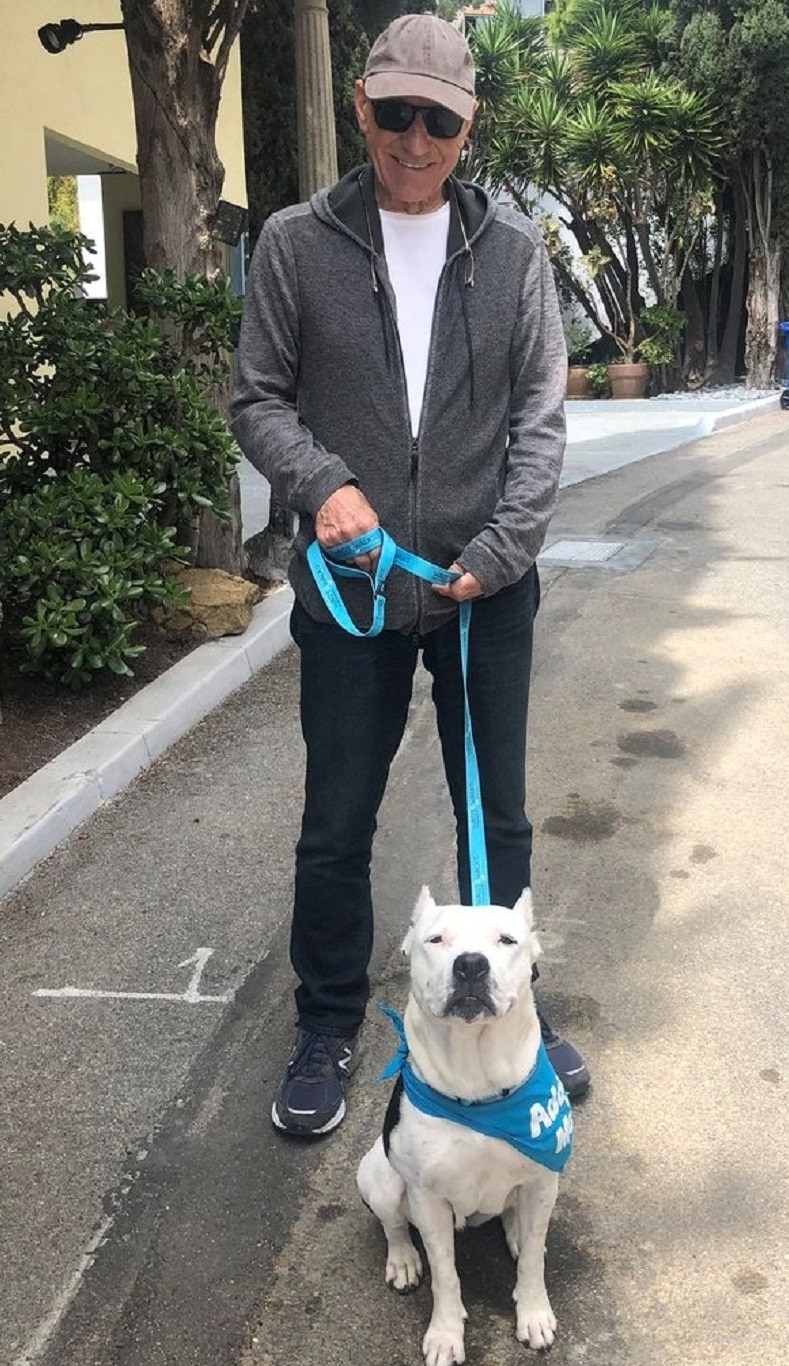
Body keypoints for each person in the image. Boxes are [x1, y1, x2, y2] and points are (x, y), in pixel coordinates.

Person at [230, 13, 590, 1137]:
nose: (415, 139)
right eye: (396, 114)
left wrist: (498, 552)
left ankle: (513, 1017)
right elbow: (256, 399)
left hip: (488, 592)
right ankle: (331, 1022)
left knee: (501, 824)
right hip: (354, 592)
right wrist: (323, 483)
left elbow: (540, 422)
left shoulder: (515, 255)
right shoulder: (298, 244)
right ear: (362, 107)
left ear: (468, 123)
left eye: (438, 119)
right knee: (338, 819)